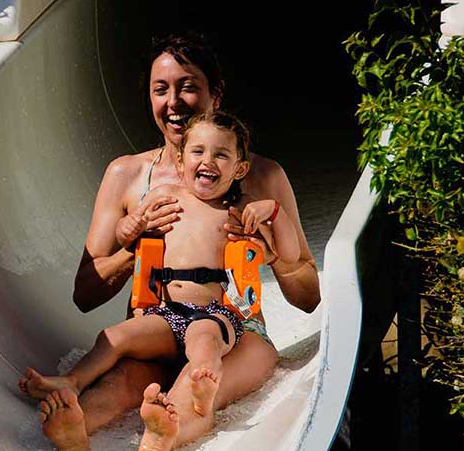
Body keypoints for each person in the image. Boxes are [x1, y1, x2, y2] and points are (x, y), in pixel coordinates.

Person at [32, 33, 321, 451]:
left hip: (232, 333)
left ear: (215, 94)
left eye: (188, 86)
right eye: (160, 89)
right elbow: (85, 292)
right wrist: (137, 244)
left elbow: (309, 297)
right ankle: (75, 425)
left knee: (201, 379)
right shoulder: (127, 176)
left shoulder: (259, 179)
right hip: (158, 325)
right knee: (118, 386)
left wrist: (277, 257)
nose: (174, 102)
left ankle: (167, 434)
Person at [19, 111, 300, 422]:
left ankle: (205, 385)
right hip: (165, 315)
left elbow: (287, 255)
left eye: (221, 155)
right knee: (113, 337)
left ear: (240, 168)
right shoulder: (164, 196)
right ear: (180, 163)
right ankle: (72, 383)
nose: (208, 161)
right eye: (198, 152)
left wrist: (275, 212)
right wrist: (134, 226)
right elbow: (126, 229)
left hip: (214, 314)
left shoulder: (242, 209)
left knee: (204, 343)